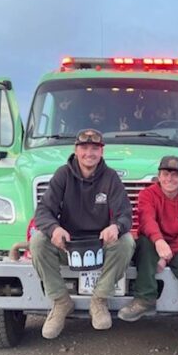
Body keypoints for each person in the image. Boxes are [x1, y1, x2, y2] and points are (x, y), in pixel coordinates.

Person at [30, 128, 135, 339]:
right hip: (68, 245)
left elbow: (125, 214)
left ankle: (99, 300)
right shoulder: (63, 174)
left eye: (94, 148)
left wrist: (116, 226)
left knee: (127, 242)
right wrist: (55, 229)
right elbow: (43, 211)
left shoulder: (111, 177)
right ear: (76, 150)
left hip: (99, 245)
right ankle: (61, 302)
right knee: (39, 241)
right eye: (84, 148)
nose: (89, 153)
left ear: (102, 151)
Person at [117, 155, 178, 355]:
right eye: (166, 174)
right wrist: (159, 242)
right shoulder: (147, 195)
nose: (170, 179)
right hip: (153, 240)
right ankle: (145, 298)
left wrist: (166, 257)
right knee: (145, 244)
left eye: (175, 175)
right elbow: (146, 220)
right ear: (159, 176)